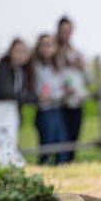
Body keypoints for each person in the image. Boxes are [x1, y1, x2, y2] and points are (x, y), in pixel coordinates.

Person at [56, 16, 89, 162]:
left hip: (76, 101)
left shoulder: (78, 53)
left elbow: (89, 80)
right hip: (59, 103)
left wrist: (82, 67)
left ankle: (70, 162)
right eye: (63, 31)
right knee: (61, 137)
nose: (66, 34)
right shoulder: (53, 54)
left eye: (68, 31)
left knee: (74, 136)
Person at [32, 33, 69, 165]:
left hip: (57, 108)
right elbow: (39, 90)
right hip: (44, 110)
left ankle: (61, 165)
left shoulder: (57, 66)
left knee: (61, 141)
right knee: (46, 143)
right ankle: (44, 166)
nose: (46, 49)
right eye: (43, 45)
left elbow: (61, 87)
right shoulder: (34, 67)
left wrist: (61, 93)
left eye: (49, 45)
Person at [0, 38, 36, 112]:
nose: (21, 55)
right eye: (17, 51)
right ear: (10, 52)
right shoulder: (4, 69)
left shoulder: (24, 72)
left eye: (24, 52)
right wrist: (36, 98)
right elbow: (7, 94)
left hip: (14, 112)